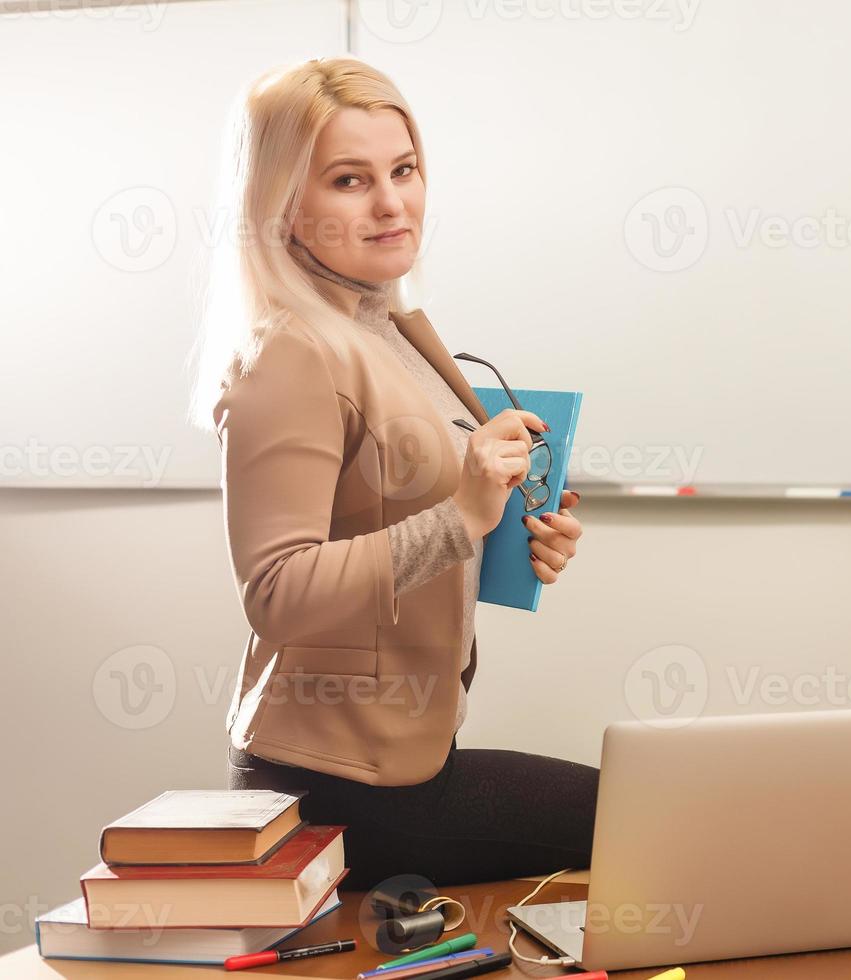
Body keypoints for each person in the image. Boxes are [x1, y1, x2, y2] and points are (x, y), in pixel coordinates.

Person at [186, 56, 597, 889]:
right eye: (348, 179)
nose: (392, 203)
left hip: (406, 756)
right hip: (337, 790)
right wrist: (464, 515)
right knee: (659, 816)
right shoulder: (289, 353)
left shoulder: (389, 324)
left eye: (403, 170)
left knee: (655, 815)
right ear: (282, 204)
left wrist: (516, 538)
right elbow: (276, 589)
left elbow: (394, 513)